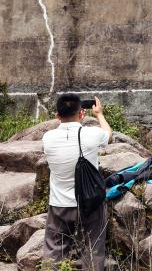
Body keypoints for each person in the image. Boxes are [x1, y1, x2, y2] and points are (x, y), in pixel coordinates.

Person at [42, 93, 112, 271]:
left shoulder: (47, 138)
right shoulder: (91, 134)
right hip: (89, 203)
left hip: (59, 204)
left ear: (57, 116)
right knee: (92, 250)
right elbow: (108, 135)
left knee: (53, 252)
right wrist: (99, 114)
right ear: (82, 113)